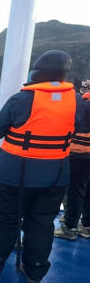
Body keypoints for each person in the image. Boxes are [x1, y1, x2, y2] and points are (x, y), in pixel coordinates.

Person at [0, 50, 84, 283]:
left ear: (37, 73)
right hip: (55, 176)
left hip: (14, 176)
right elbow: (73, 127)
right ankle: (35, 272)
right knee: (42, 224)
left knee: (4, 222)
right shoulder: (76, 100)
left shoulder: (22, 99)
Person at [54, 90, 90, 240]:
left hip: (80, 153)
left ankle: (69, 228)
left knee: (75, 191)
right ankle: (87, 226)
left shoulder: (83, 104)